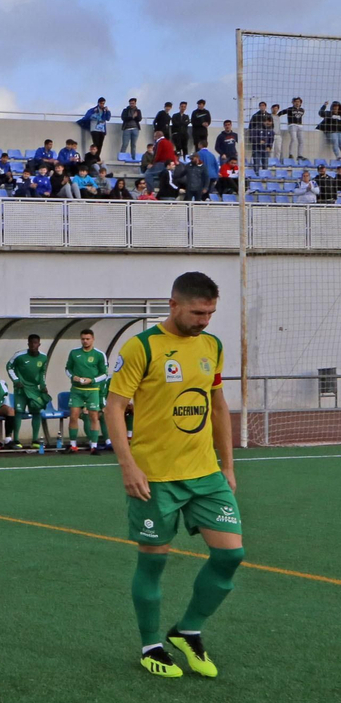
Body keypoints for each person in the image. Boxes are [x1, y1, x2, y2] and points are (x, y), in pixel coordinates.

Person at [105, 272, 241, 679]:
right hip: (155, 477)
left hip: (205, 473)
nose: (204, 320)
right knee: (153, 564)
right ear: (174, 304)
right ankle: (151, 645)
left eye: (210, 313)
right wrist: (128, 465)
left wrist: (228, 465)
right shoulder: (141, 347)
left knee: (231, 555)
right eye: (198, 312)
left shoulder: (212, 347)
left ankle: (187, 630)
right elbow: (114, 408)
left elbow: (217, 405)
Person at [64, 328, 110, 454]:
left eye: (87, 339)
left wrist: (92, 380)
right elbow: (67, 369)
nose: (85, 341)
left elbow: (105, 374)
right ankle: (73, 445)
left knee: (94, 417)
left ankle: (94, 446)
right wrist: (73, 377)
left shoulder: (99, 354)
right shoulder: (74, 353)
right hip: (77, 390)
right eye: (83, 339)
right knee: (73, 416)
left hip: (93, 390)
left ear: (93, 339)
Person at [7, 335, 51, 449]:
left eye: (35, 343)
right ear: (28, 344)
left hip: (34, 390)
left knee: (36, 412)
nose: (33, 345)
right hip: (21, 389)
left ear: (39, 344)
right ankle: (16, 439)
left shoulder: (43, 357)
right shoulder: (19, 355)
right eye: (31, 343)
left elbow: (42, 373)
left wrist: (43, 385)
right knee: (19, 411)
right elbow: (9, 367)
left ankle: (35, 440)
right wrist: (16, 380)